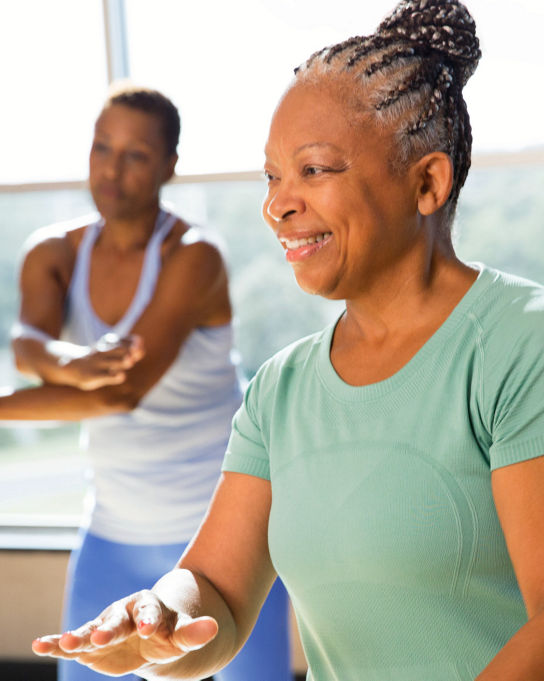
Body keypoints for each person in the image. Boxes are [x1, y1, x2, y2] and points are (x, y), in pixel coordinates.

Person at [31, 1, 544, 679]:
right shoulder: (281, 389)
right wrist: (161, 618)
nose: (278, 203)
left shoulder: (520, 344)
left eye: (315, 170)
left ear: (427, 181)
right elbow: (217, 590)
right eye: (273, 176)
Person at [2, 84, 293, 681]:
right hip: (113, 532)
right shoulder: (52, 252)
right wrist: (72, 360)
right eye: (102, 147)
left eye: (135, 154)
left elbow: (120, 393)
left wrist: (67, 374)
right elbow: (27, 345)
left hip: (223, 538)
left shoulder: (195, 255)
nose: (112, 169)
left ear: (169, 166)